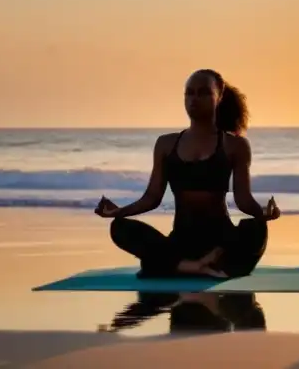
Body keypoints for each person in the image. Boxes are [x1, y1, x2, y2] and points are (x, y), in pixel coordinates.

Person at [94, 69, 280, 278]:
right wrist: (118, 213)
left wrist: (262, 213)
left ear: (218, 97)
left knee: (256, 229)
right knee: (119, 228)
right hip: (181, 241)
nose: (194, 99)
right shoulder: (166, 144)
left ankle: (178, 266)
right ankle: (195, 266)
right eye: (189, 93)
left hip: (221, 243)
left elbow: (243, 200)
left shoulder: (234, 145)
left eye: (203, 93)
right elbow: (152, 197)